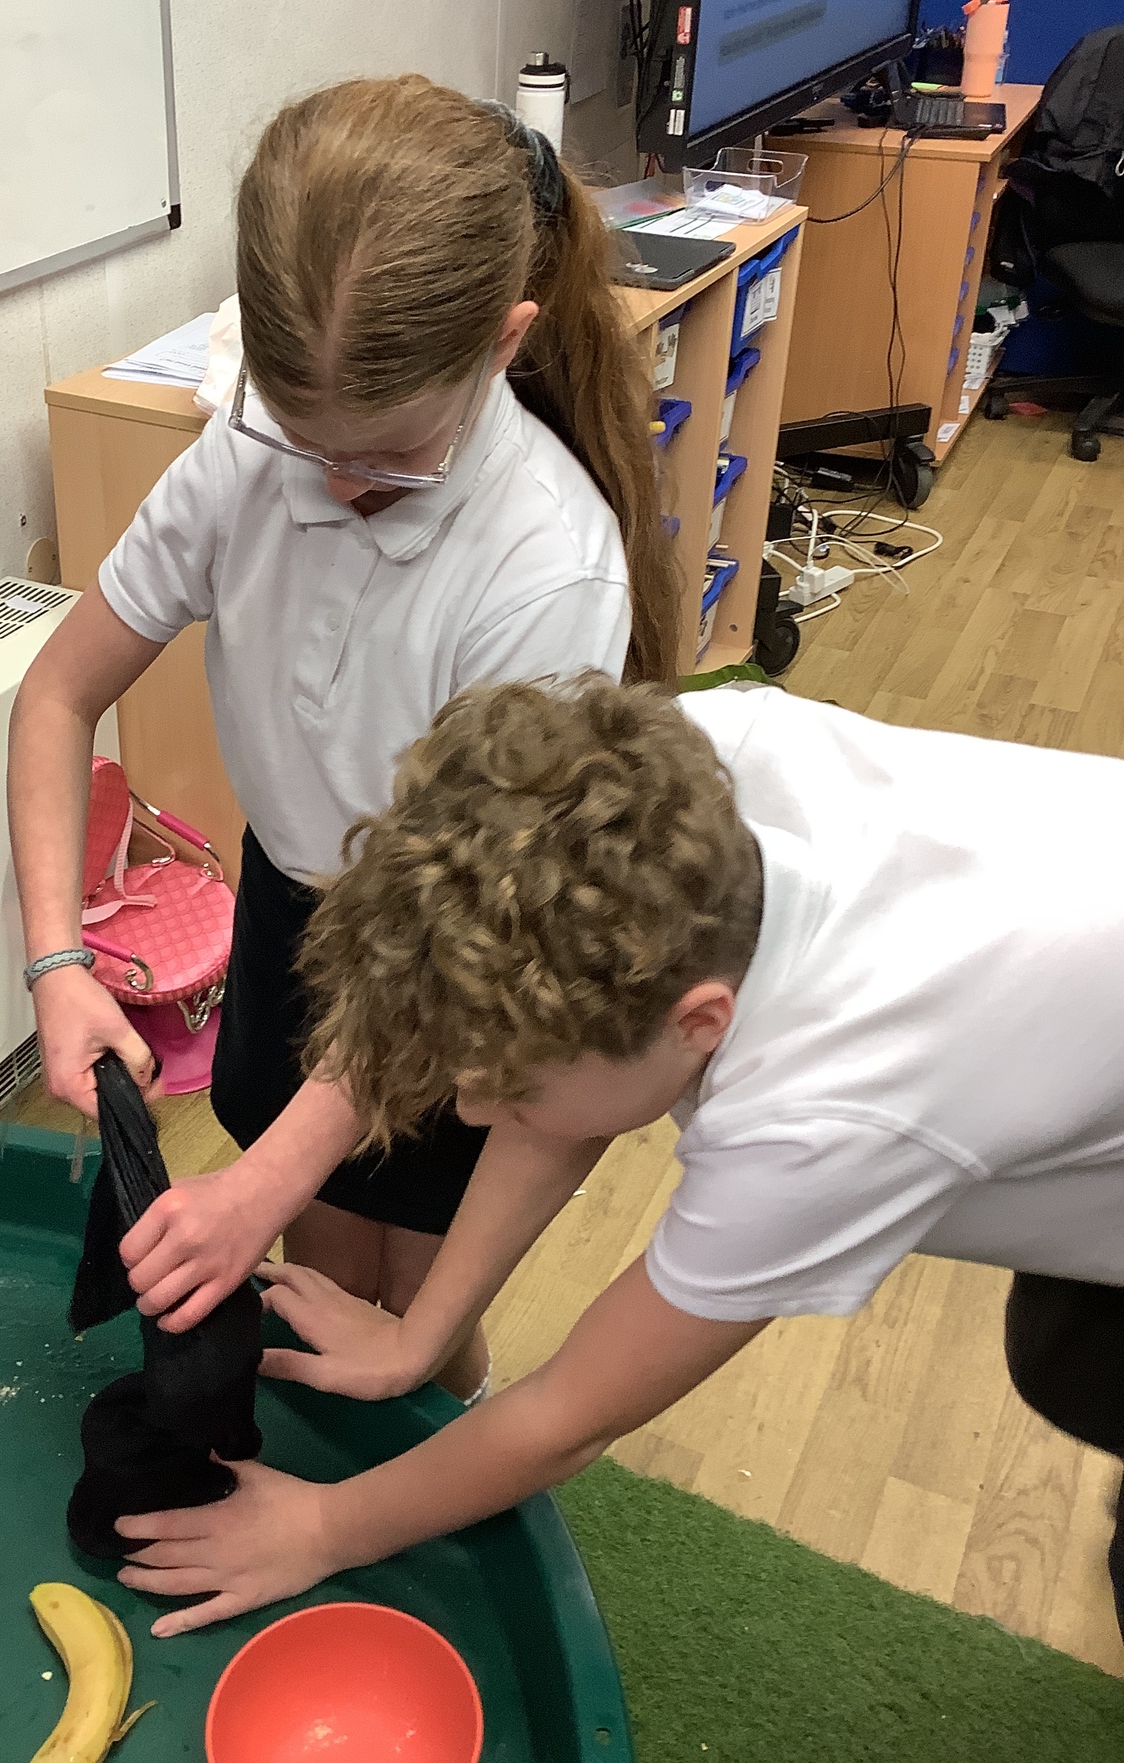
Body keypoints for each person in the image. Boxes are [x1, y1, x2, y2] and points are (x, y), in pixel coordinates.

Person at [104, 676, 1124, 1640]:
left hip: (1030, 1050)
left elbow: (568, 1417)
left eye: (511, 1085)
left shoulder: (829, 1110)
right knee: (1062, 1361)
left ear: (699, 1022)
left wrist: (324, 1527)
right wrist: (419, 1336)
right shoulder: (678, 773)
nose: (470, 1109)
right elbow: (572, 1083)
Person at [7, 75, 679, 1397]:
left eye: (385, 457)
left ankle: (433, 1459)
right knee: (321, 1276)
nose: (333, 482)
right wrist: (55, 961)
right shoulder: (245, 458)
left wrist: (253, 1185)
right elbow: (56, 696)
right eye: (301, 438)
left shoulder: (546, 572)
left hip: (466, 963)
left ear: (506, 340)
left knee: (417, 1315)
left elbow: (455, 942)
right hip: (301, 914)